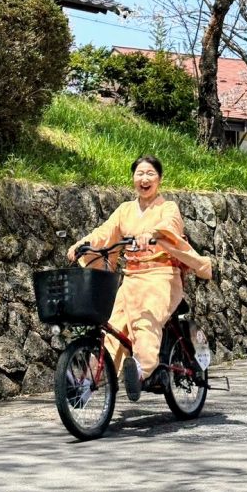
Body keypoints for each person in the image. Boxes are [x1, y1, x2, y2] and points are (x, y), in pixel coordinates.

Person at [67, 154, 212, 402]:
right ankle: (87, 382)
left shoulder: (168, 207)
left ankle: (143, 370)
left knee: (146, 322)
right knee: (113, 329)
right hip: (132, 277)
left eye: (150, 174)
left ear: (160, 179)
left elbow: (171, 225)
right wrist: (82, 245)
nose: (144, 179)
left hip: (162, 276)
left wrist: (151, 233)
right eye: (139, 174)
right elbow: (105, 233)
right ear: (133, 178)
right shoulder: (125, 210)